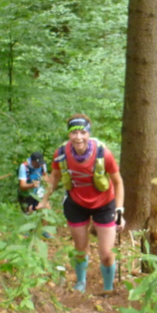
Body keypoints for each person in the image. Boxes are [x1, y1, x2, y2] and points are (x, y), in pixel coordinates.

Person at [40, 114, 125, 293]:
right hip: (76, 204)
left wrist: (119, 211)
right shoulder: (61, 153)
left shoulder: (103, 154)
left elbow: (118, 182)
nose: (78, 137)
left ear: (89, 133)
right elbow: (54, 176)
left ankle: (108, 288)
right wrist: (44, 199)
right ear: (69, 135)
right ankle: (80, 283)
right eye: (74, 133)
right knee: (80, 249)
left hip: (104, 204)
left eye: (82, 132)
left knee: (107, 254)